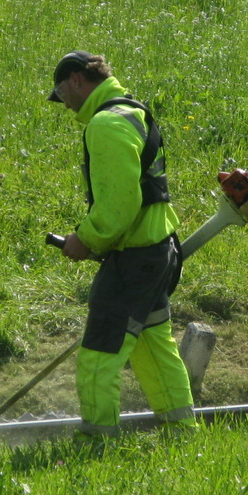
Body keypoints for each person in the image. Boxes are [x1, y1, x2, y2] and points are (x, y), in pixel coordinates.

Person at [48, 51, 194, 435]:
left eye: (61, 92)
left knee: (98, 355)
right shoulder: (132, 110)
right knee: (153, 348)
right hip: (158, 250)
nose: (62, 103)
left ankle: (98, 443)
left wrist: (85, 239)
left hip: (132, 259)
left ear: (78, 79)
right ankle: (181, 433)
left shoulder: (107, 124)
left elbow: (119, 205)